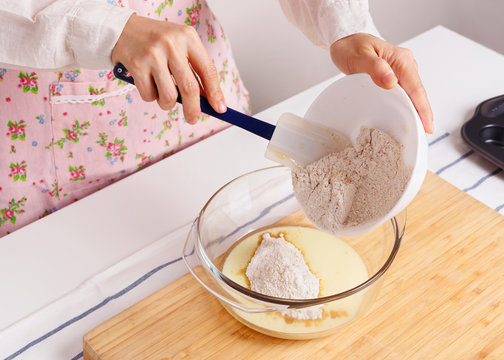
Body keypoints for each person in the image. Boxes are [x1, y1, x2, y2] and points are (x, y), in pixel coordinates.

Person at [0, 0, 433, 237]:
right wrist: (103, 29)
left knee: (223, 230)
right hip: (41, 132)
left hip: (202, 90)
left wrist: (343, 20)